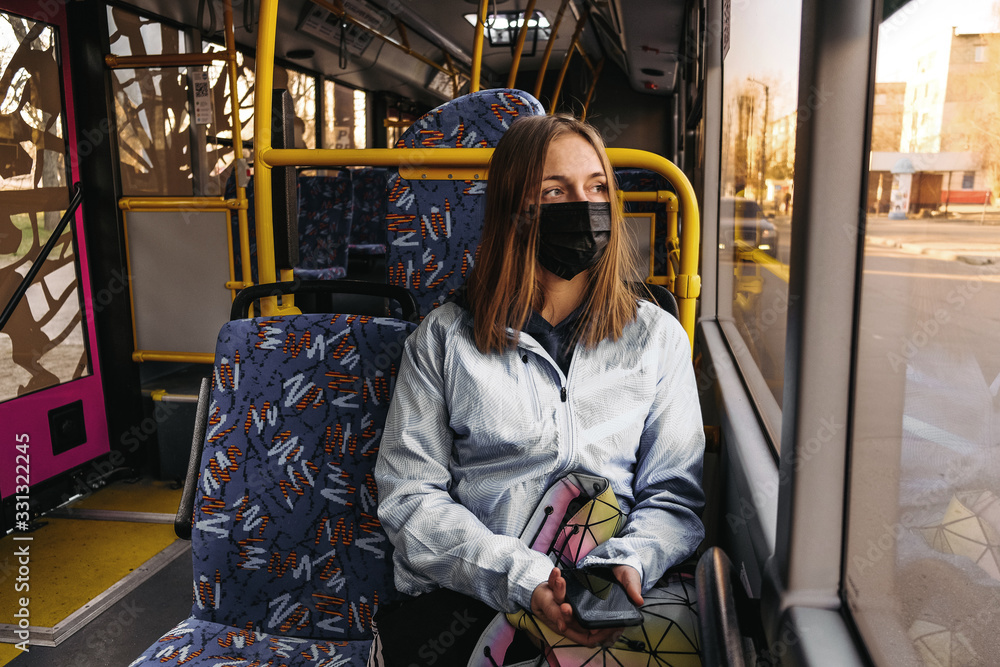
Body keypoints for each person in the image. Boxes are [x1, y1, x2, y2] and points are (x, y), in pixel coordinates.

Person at [372, 114, 705, 661]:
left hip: (606, 590)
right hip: (480, 592)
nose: (585, 205)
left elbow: (674, 495)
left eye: (597, 187)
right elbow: (410, 500)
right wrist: (525, 577)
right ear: (517, 211)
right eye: (556, 191)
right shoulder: (445, 340)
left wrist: (628, 563)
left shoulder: (656, 339)